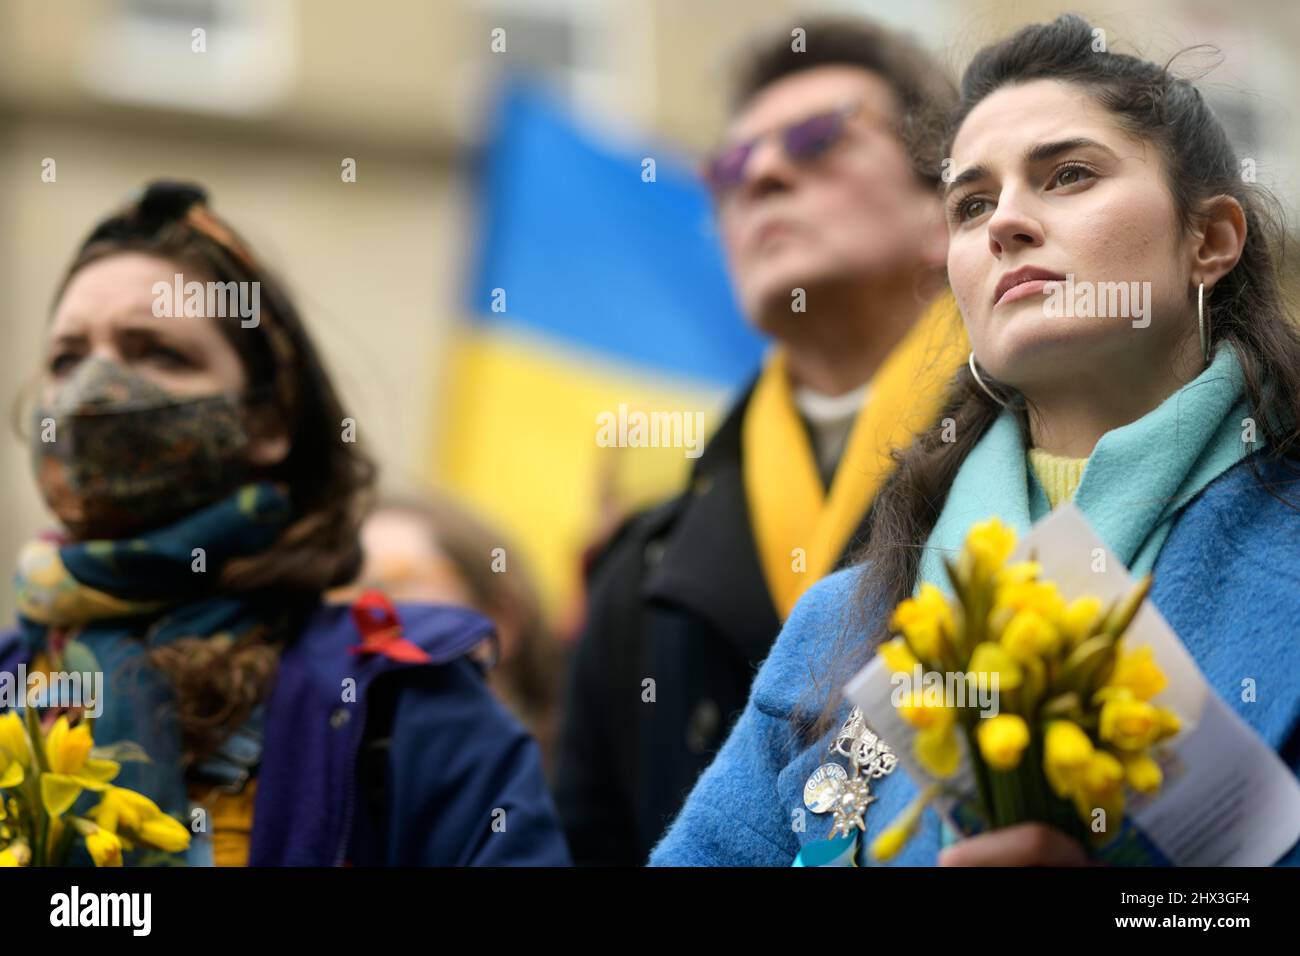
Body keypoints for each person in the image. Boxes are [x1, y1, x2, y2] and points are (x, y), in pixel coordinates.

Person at [651, 14, 1300, 867]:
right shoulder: (836, 624)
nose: (1006, 225)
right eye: (972, 204)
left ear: (1210, 240)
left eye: (1068, 175)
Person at [1, 181, 570, 866]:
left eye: (156, 351)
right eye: (67, 359)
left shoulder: (409, 704)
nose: (97, 388)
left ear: (268, 421)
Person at [555, 17, 967, 865]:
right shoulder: (637, 573)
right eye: (729, 167)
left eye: (818, 138)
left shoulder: (1065, 457)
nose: (765, 175)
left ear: (948, 209)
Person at [333, 496, 562, 775]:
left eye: (390, 583)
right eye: (339, 593)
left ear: (500, 619)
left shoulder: (578, 787)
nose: (360, 612)